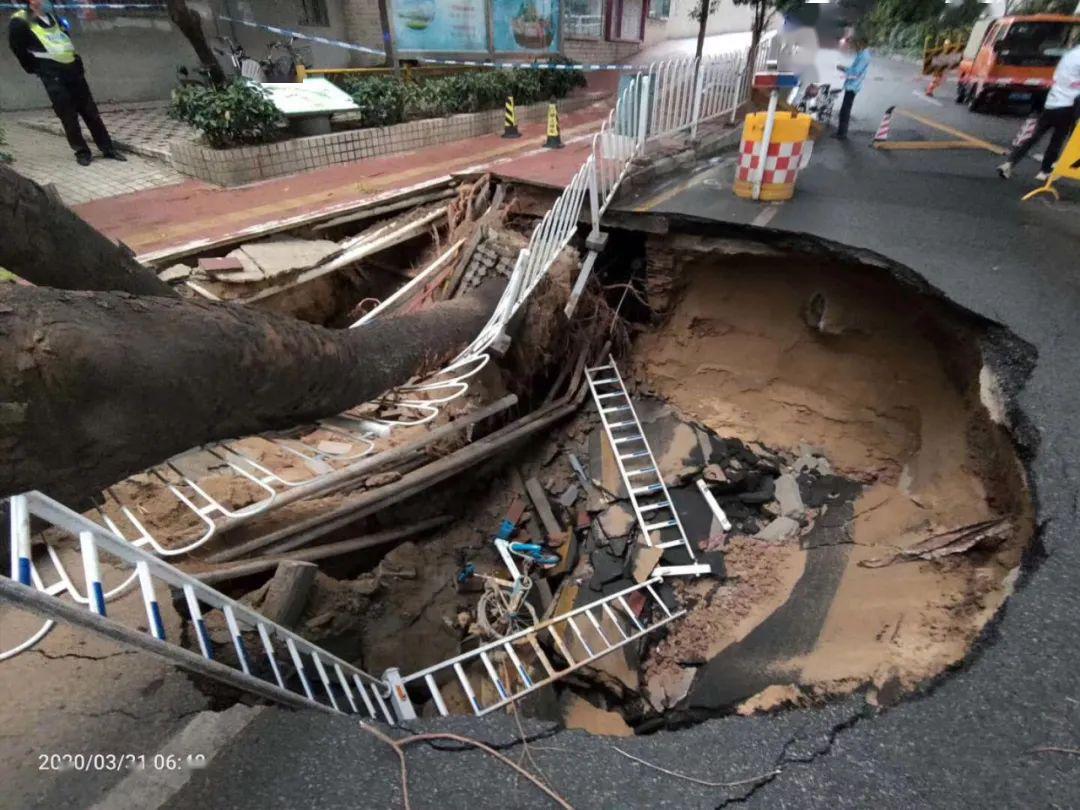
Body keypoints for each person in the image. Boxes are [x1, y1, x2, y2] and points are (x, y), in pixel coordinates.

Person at [8, 0, 126, 166]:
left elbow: (65, 39)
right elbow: (18, 48)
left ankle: (107, 148)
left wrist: (77, 63)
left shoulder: (53, 17)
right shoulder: (20, 21)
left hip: (72, 70)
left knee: (90, 111)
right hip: (52, 74)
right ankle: (82, 152)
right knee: (68, 114)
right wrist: (36, 68)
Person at [998, 40, 1080, 182]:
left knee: (1034, 136)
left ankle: (1009, 163)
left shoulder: (1069, 55)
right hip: (1068, 104)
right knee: (1057, 139)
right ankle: (1045, 170)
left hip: (1052, 102)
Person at [834, 35, 871, 141]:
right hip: (852, 84)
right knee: (845, 109)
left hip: (853, 85)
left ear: (861, 43)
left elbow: (855, 71)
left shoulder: (864, 56)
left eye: (855, 44)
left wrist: (843, 68)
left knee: (845, 110)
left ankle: (842, 133)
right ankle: (841, 132)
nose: (853, 47)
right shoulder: (862, 54)